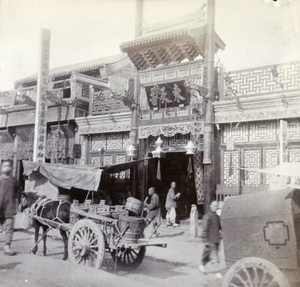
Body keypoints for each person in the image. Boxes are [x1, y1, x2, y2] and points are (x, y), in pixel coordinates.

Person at [198, 200, 223, 279]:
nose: (216, 208)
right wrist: (205, 240)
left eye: (217, 206)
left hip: (216, 239)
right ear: (210, 206)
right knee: (214, 256)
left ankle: (202, 265)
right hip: (210, 239)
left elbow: (220, 227)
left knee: (208, 254)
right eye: (214, 206)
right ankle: (217, 272)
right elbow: (204, 229)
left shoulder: (217, 216)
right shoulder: (207, 216)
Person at [0, 160, 19, 256]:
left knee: (9, 227)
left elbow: (16, 194)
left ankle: (7, 247)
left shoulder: (14, 180)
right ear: (1, 168)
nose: (7, 168)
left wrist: (16, 206)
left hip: (9, 208)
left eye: (8, 166)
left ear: (11, 168)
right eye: (5, 166)